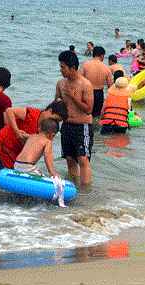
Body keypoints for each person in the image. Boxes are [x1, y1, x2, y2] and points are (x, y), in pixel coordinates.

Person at [55, 50, 94, 186]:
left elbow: (89, 110)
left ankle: (85, 189)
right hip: (66, 126)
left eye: (63, 67)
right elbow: (56, 104)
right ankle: (73, 187)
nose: (61, 70)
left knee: (83, 159)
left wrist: (73, 97)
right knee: (70, 159)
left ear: (72, 68)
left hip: (82, 125)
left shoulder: (85, 84)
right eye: (60, 67)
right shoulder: (61, 83)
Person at [0, 101, 68, 170]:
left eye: (58, 121)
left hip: (18, 149)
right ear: (49, 111)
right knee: (15, 170)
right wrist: (17, 131)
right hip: (5, 142)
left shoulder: (48, 128)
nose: (55, 122)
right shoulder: (31, 113)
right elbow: (9, 110)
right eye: (55, 119)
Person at [79, 46, 113, 118]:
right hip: (99, 94)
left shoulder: (85, 64)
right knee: (97, 117)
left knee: (85, 115)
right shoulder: (107, 69)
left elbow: (79, 80)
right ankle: (96, 129)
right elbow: (110, 87)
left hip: (87, 92)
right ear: (102, 56)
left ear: (92, 54)